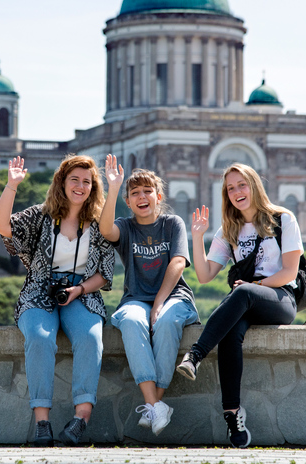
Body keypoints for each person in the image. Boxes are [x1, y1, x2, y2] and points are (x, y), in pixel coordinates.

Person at [175, 163, 302, 448]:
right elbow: (206, 275)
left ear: (254, 185)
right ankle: (233, 416)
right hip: (245, 300)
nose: (236, 192)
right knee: (230, 333)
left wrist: (254, 287)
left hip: (279, 298)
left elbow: (289, 273)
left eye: (241, 185)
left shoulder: (282, 218)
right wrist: (197, 236)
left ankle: (194, 356)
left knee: (242, 292)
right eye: (230, 188)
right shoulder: (229, 229)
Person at [0, 155, 115, 447]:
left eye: (87, 181)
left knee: (90, 339)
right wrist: (11, 186)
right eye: (74, 179)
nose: (80, 186)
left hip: (82, 293)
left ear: (93, 187)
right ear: (62, 181)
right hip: (38, 291)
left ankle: (80, 419)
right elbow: (2, 226)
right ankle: (42, 422)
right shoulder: (41, 216)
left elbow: (105, 274)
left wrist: (80, 289)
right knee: (39, 338)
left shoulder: (99, 223)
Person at [99, 154, 199, 436]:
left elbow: (178, 262)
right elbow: (106, 230)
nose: (142, 197)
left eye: (147, 191)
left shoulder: (172, 223)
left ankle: (153, 404)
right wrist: (114, 186)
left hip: (174, 297)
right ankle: (155, 404)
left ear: (158, 196)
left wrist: (159, 303)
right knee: (131, 322)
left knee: (166, 322)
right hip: (134, 299)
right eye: (134, 194)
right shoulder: (126, 226)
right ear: (128, 202)